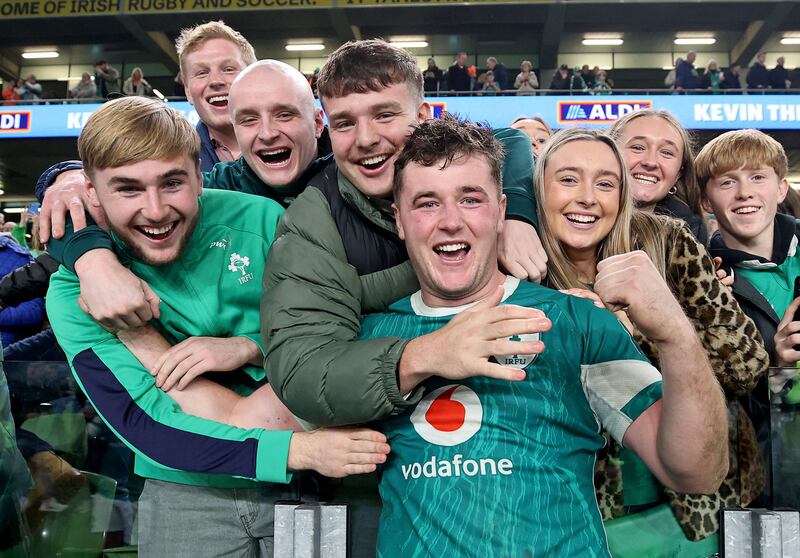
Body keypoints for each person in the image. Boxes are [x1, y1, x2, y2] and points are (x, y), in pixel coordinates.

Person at [362, 117, 728, 557]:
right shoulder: (371, 335)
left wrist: (675, 336)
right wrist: (303, 448)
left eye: (470, 199)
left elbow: (698, 472)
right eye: (427, 203)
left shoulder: (576, 321)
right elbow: (263, 438)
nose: (450, 222)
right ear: (399, 221)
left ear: (501, 211)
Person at [46, 96, 389, 555]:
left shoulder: (262, 221)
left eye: (173, 183)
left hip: (307, 486)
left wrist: (248, 346)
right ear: (91, 193)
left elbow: (335, 341)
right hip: (188, 489)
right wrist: (297, 450)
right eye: (127, 189)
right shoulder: (76, 294)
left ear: (198, 172)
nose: (155, 210)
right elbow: (148, 427)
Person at [262, 39, 548, 428]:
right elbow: (302, 373)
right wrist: (424, 355)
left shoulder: (462, 162)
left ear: (423, 115)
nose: (365, 139)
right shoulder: (313, 221)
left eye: (384, 114)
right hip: (392, 446)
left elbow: (511, 139)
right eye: (345, 123)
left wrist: (517, 215)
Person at [535, 126, 767, 540]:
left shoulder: (667, 242)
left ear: (622, 195)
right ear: (537, 189)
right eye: (568, 179)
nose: (587, 197)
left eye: (605, 183)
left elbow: (748, 362)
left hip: (692, 510)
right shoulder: (521, 272)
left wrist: (639, 330)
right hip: (576, 515)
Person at [33, 58, 330, 333]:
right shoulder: (219, 185)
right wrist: (92, 261)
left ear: (318, 122)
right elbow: (96, 211)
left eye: (284, 114)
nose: (267, 133)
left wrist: (251, 348)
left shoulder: (354, 181)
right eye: (249, 120)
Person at [698, 129, 795, 504]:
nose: (745, 192)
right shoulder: (701, 286)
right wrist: (778, 368)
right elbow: (716, 408)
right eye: (727, 181)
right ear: (706, 201)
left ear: (781, 189)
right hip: (770, 485)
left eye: (757, 177)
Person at [608, 108, 708, 245]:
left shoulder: (690, 235)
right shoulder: (575, 217)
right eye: (638, 148)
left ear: (678, 175)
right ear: (608, 154)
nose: (650, 162)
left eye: (666, 152)